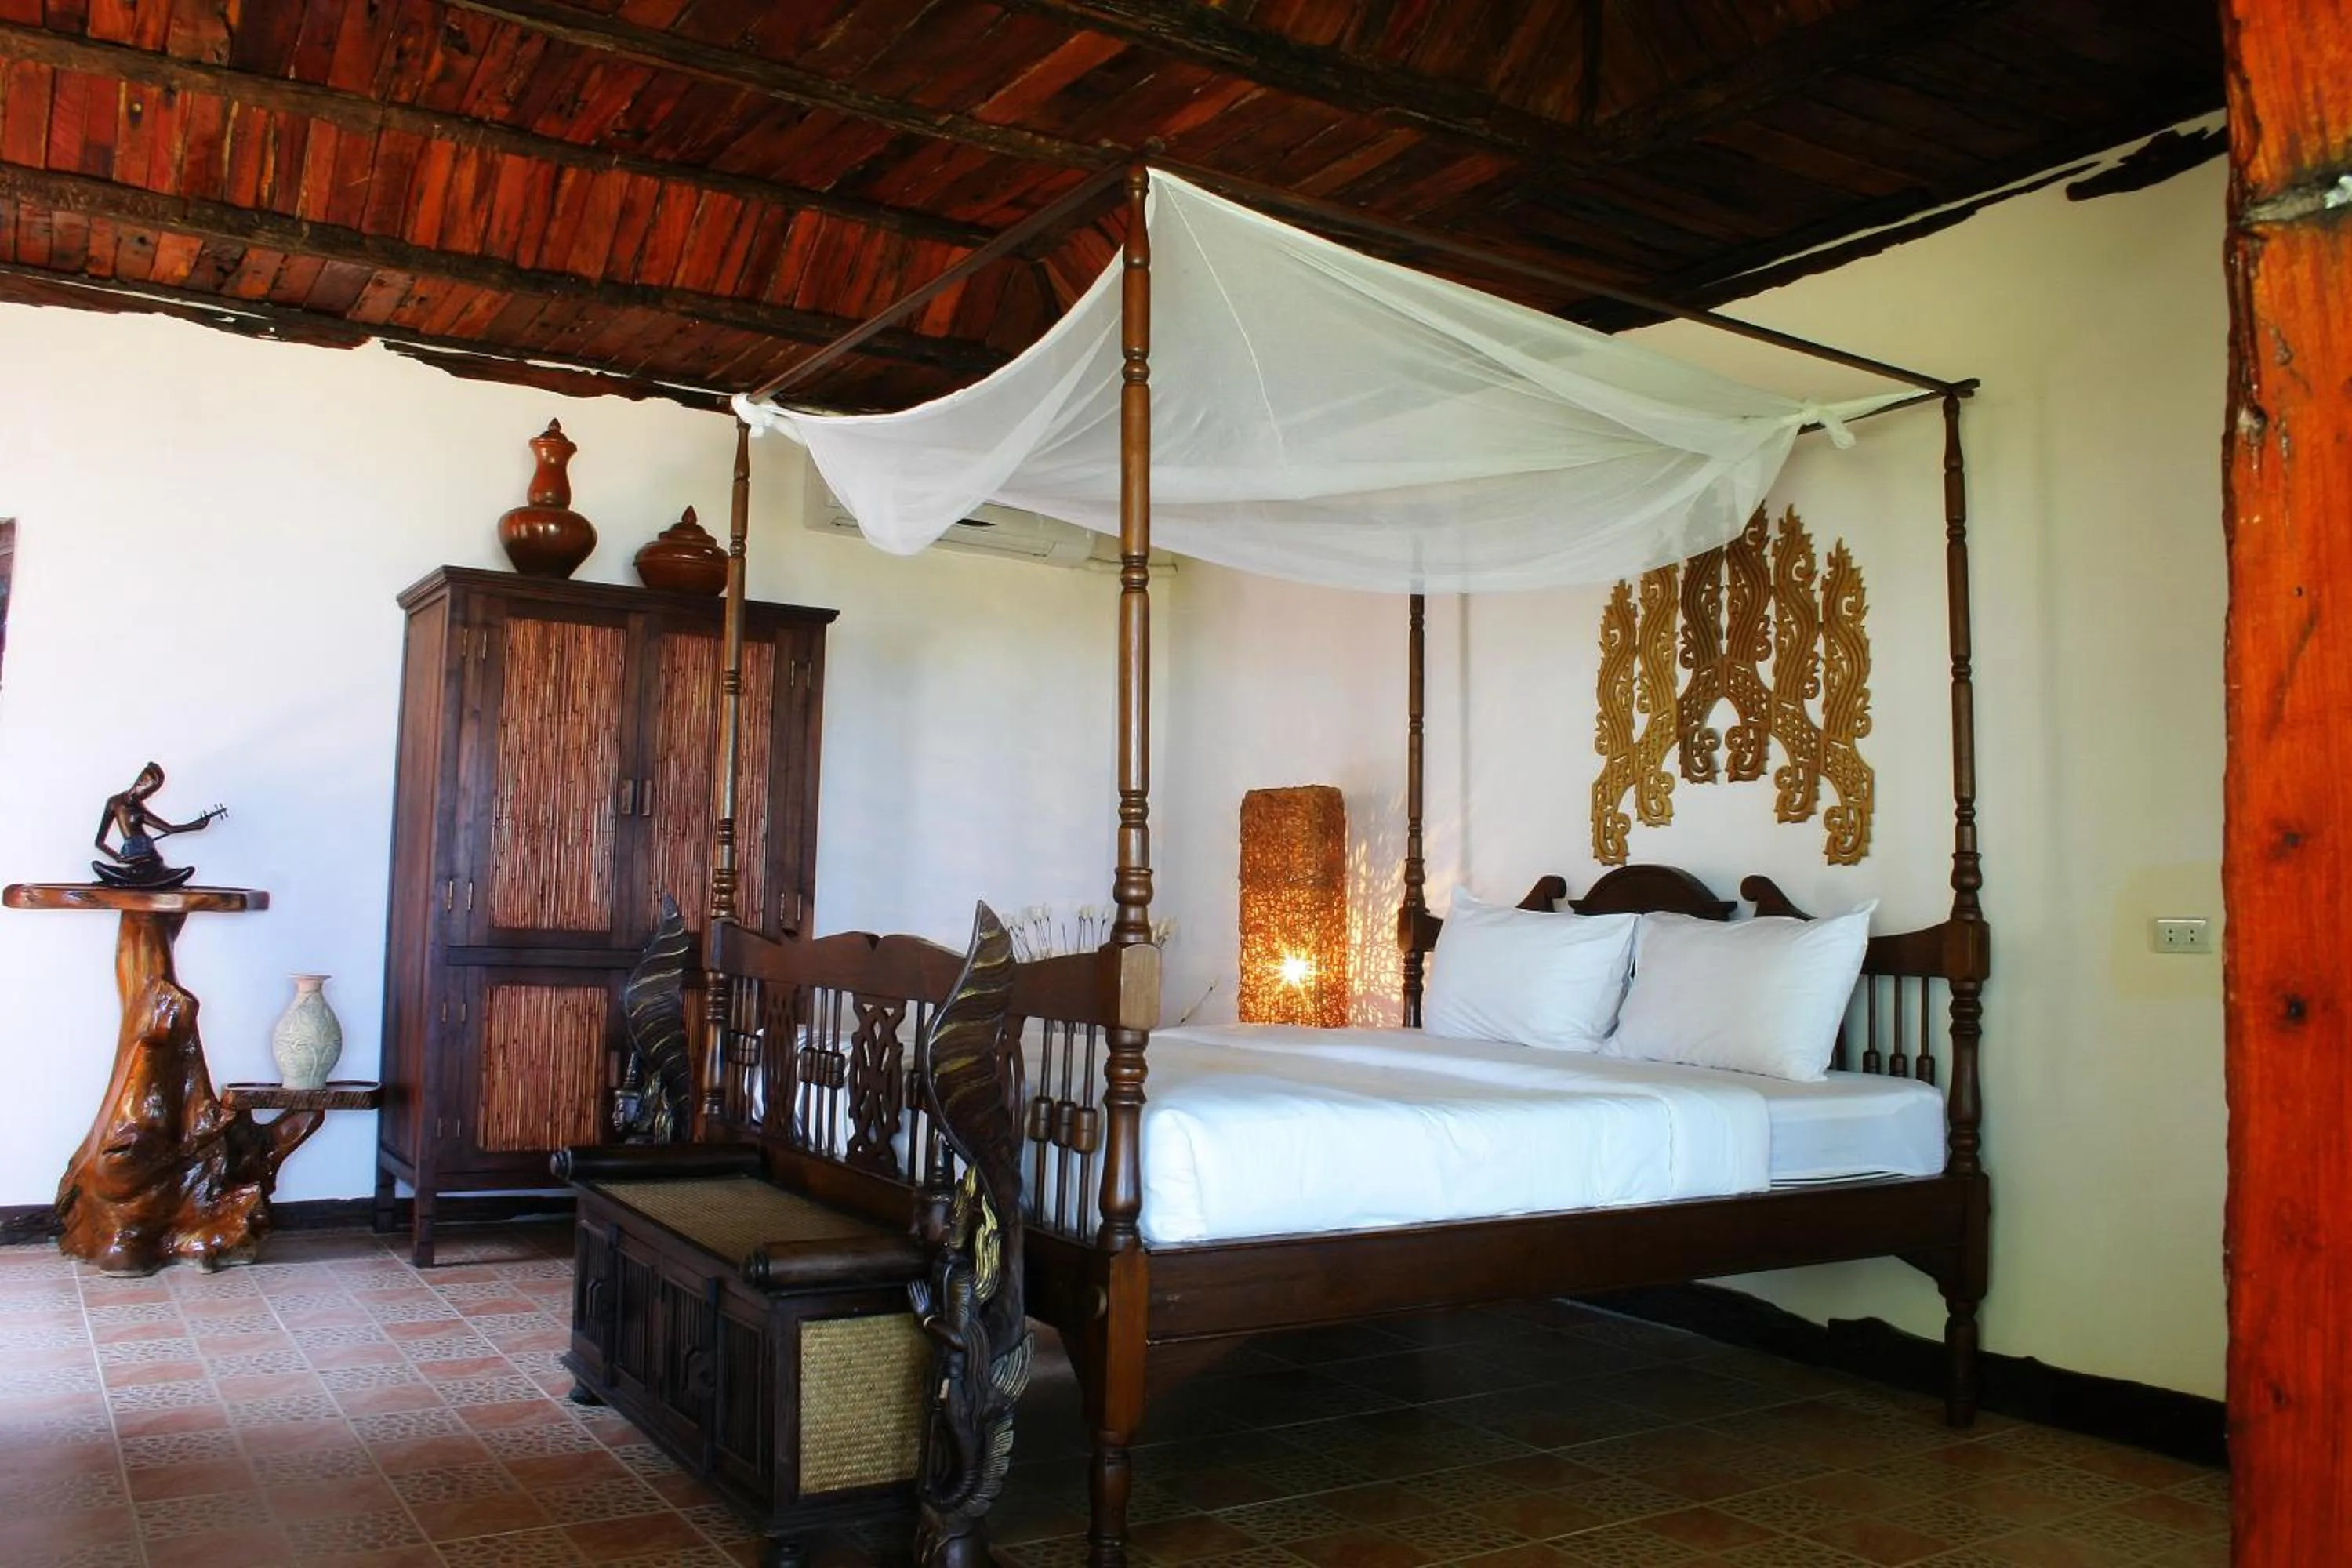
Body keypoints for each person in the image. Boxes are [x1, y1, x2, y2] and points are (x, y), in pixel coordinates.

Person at [93, 763, 223, 888]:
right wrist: (118, 857)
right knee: (110, 869)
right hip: (133, 854)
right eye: (148, 791)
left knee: (156, 870)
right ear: (141, 782)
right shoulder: (114, 802)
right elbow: (99, 842)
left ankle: (151, 877)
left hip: (149, 855)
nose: (148, 795)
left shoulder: (139, 810)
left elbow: (169, 829)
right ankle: (132, 877)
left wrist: (194, 826)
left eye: (151, 793)